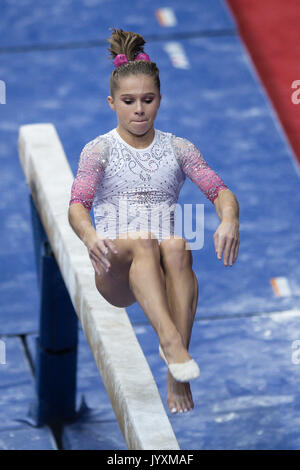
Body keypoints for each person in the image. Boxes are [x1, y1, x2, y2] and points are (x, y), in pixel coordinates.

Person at [68, 28, 240, 414]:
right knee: (145, 239)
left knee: (178, 244)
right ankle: (170, 342)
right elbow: (77, 204)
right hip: (116, 267)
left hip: (160, 273)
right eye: (129, 101)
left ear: (160, 100)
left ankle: (176, 368)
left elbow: (220, 191)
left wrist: (229, 220)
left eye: (148, 100)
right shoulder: (98, 150)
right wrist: (91, 237)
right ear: (111, 102)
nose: (139, 109)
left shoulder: (180, 148)